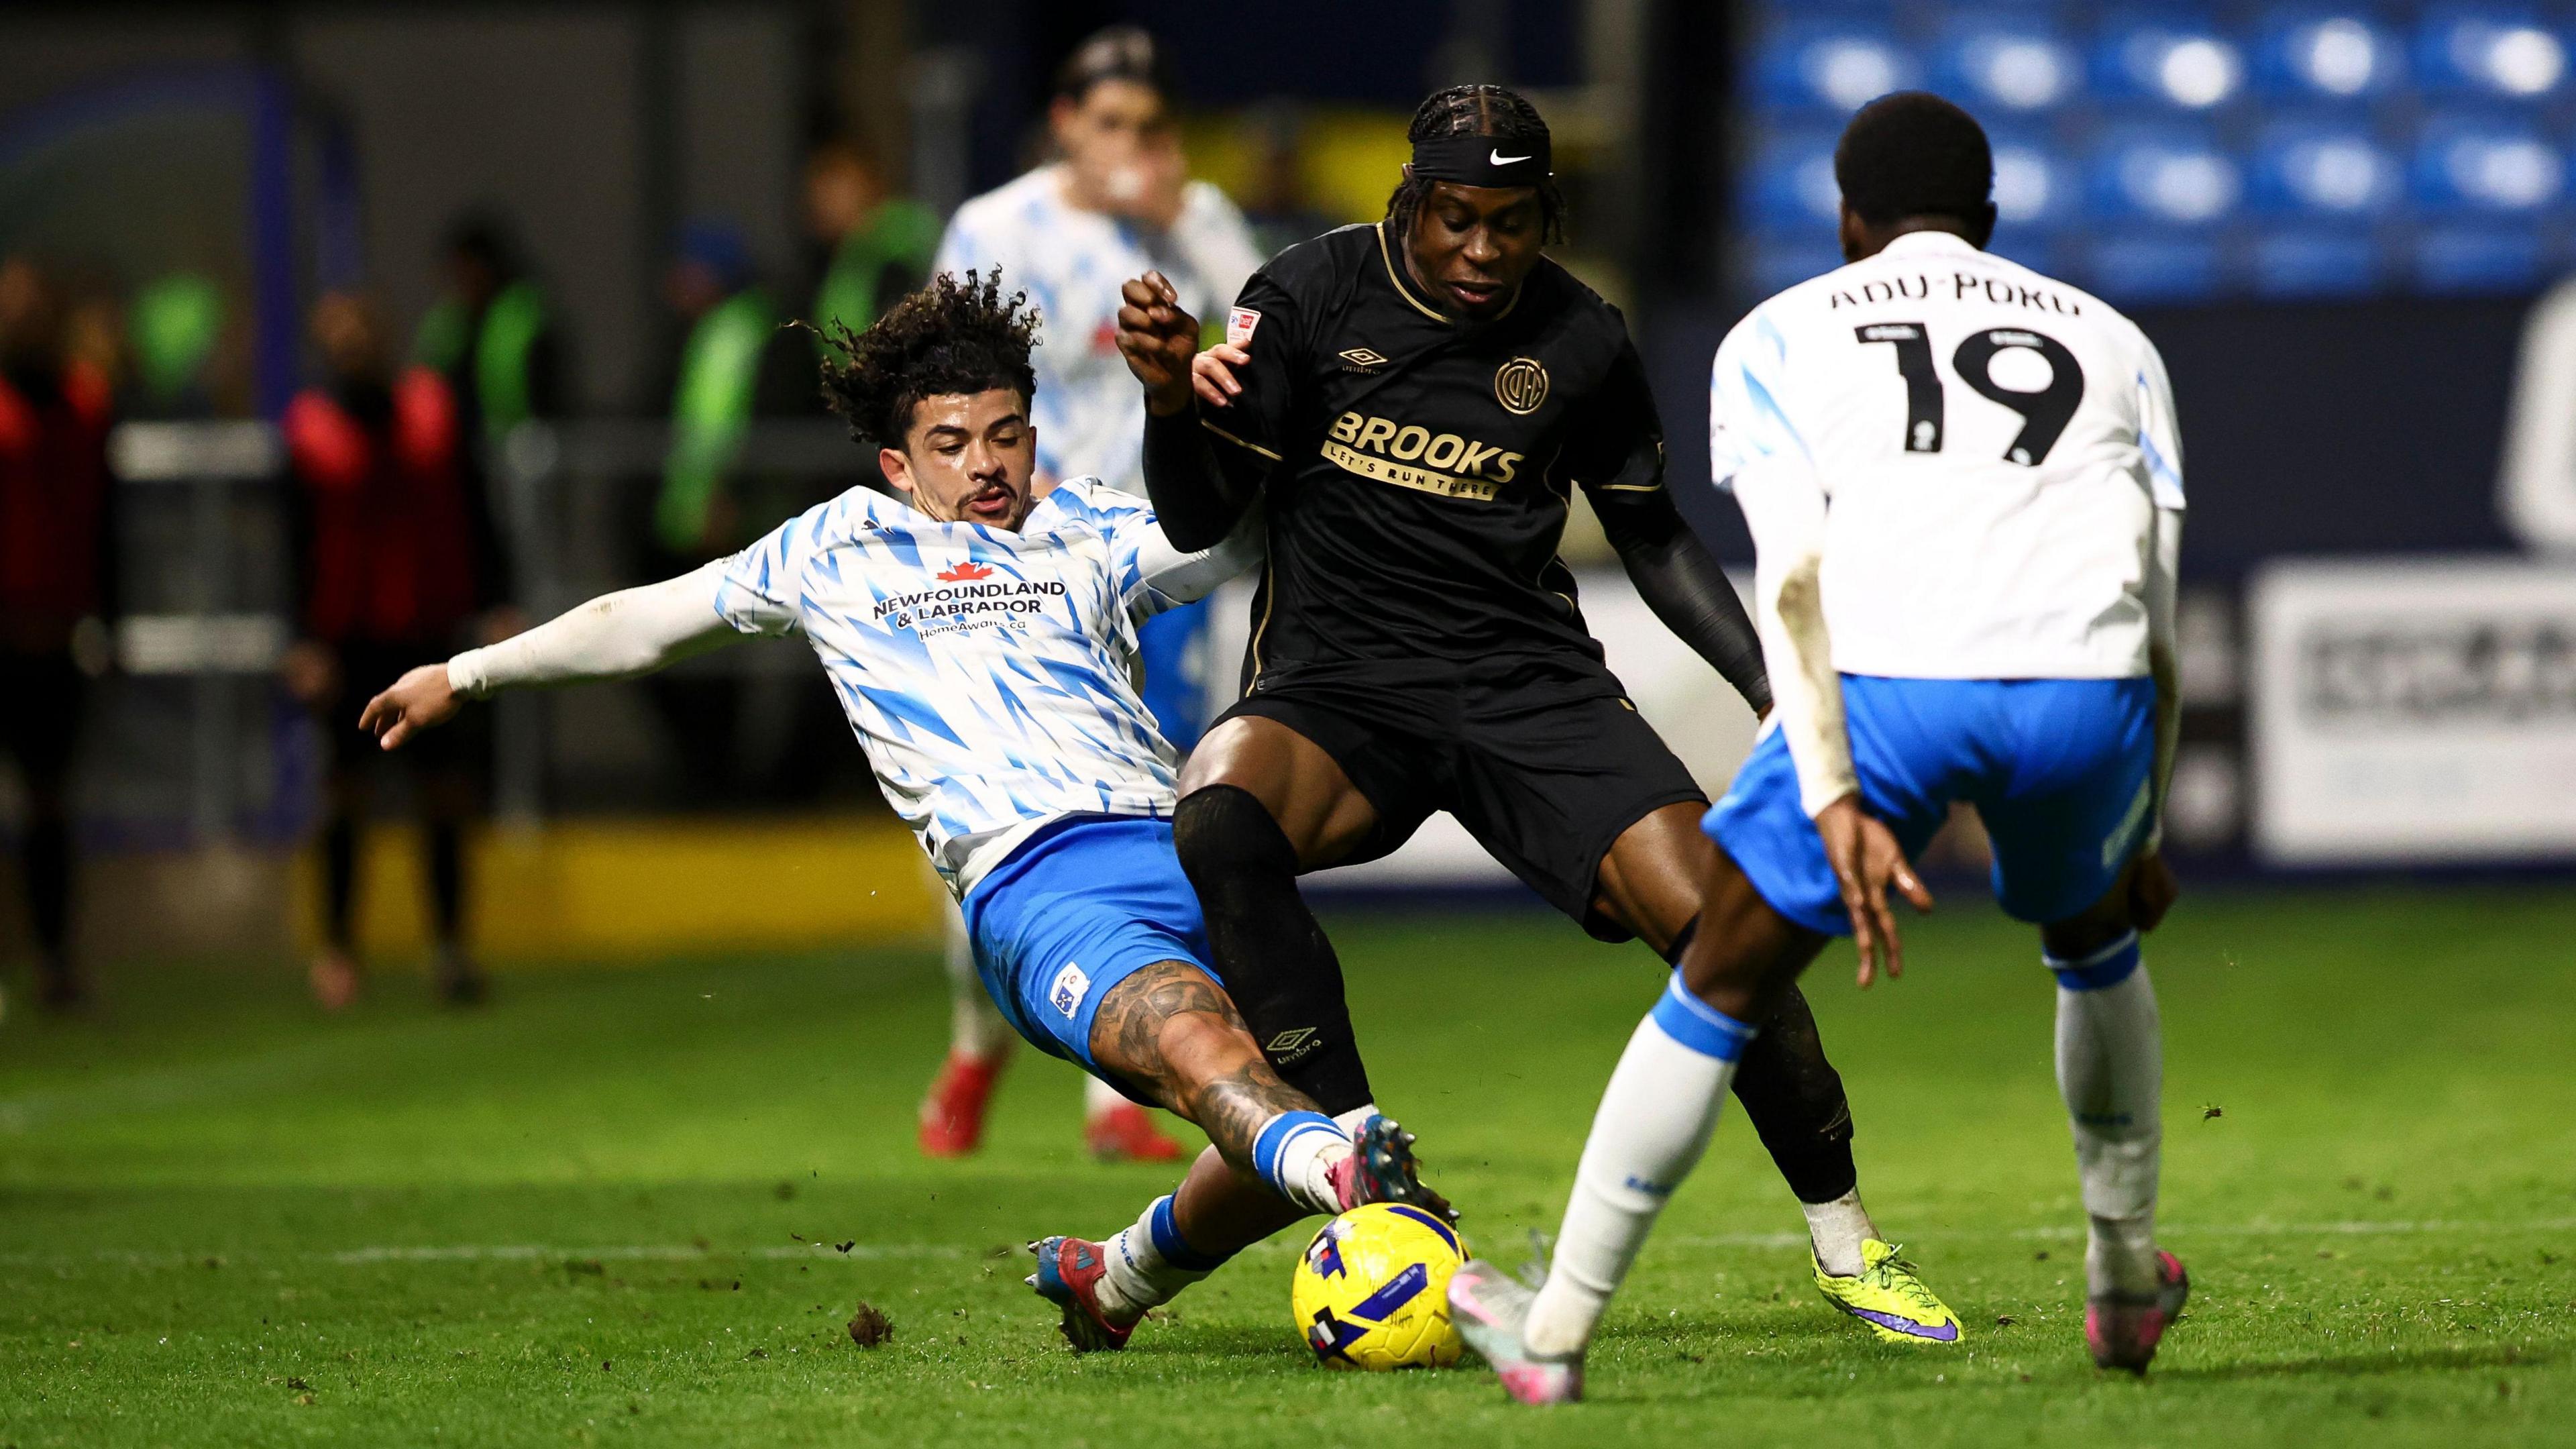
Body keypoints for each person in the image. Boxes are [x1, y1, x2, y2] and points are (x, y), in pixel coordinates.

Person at [355, 270, 1447, 1352]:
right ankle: (1352, 1183)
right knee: (1201, 1046)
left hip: (1191, 852)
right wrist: (469, 673)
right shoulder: (834, 550)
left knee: (1275, 1107)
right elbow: (642, 621)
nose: (986, 465)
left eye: (1006, 435)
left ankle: (1112, 1281)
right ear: (897, 464)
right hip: (1038, 885)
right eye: (952, 443)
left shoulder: (1088, 530)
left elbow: (1239, 534)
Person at [1117, 82, 1957, 1346]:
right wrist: (1173, 401)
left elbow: (1656, 539)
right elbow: (1199, 518)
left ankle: (1850, 1244)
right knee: (1222, 810)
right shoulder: (1306, 296)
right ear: (1410, 200)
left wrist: (1777, 688)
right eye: (1456, 218)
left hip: (1530, 691)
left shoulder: (1584, 339)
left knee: (1730, 927)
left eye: (1511, 223)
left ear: (1543, 217)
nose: (1481, 249)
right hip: (1338, 689)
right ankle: (1361, 1167)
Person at [1445, 92, 2190, 1402]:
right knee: (2095, 944)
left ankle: (1552, 1336)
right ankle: (2124, 1280)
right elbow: (2158, 586)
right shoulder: (2115, 338)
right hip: (2087, 681)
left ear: (1849, 220)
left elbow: (1790, 574)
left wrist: (1834, 782)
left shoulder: (1779, 334)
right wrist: (2149, 815)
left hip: (1893, 681)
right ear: (1992, 223)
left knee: (1718, 984)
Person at [921, 24, 1263, 1163]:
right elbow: (942, 387)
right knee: (1005, 824)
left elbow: (1268, 340)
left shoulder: (1194, 215)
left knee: (1163, 815)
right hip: (1023, 567)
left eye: (1152, 127)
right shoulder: (997, 227)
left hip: (1159, 560)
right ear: (1066, 123)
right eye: (1110, 123)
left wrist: (1178, 225)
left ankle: (1117, 1094)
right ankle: (977, 1045)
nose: (1132, 146)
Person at [282, 292, 508, 1010]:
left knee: (444, 797)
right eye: (334, 337)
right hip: (346, 638)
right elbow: (294, 541)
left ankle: (450, 947)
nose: (350, 348)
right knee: (345, 800)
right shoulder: (310, 430)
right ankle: (339, 951)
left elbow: (477, 508)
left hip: (428, 632)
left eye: (359, 331)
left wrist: (499, 600)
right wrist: (300, 641)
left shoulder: (434, 412)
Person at [0, 256, 115, 1012]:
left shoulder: (85, 404)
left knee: (50, 803)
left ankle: (54, 960)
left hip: (57, 636)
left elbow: (107, 521)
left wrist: (112, 618)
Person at [415, 215, 566, 451]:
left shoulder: (524, 318)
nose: (461, 279)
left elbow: (551, 399)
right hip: (459, 458)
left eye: (467, 267)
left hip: (519, 457)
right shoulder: (447, 324)